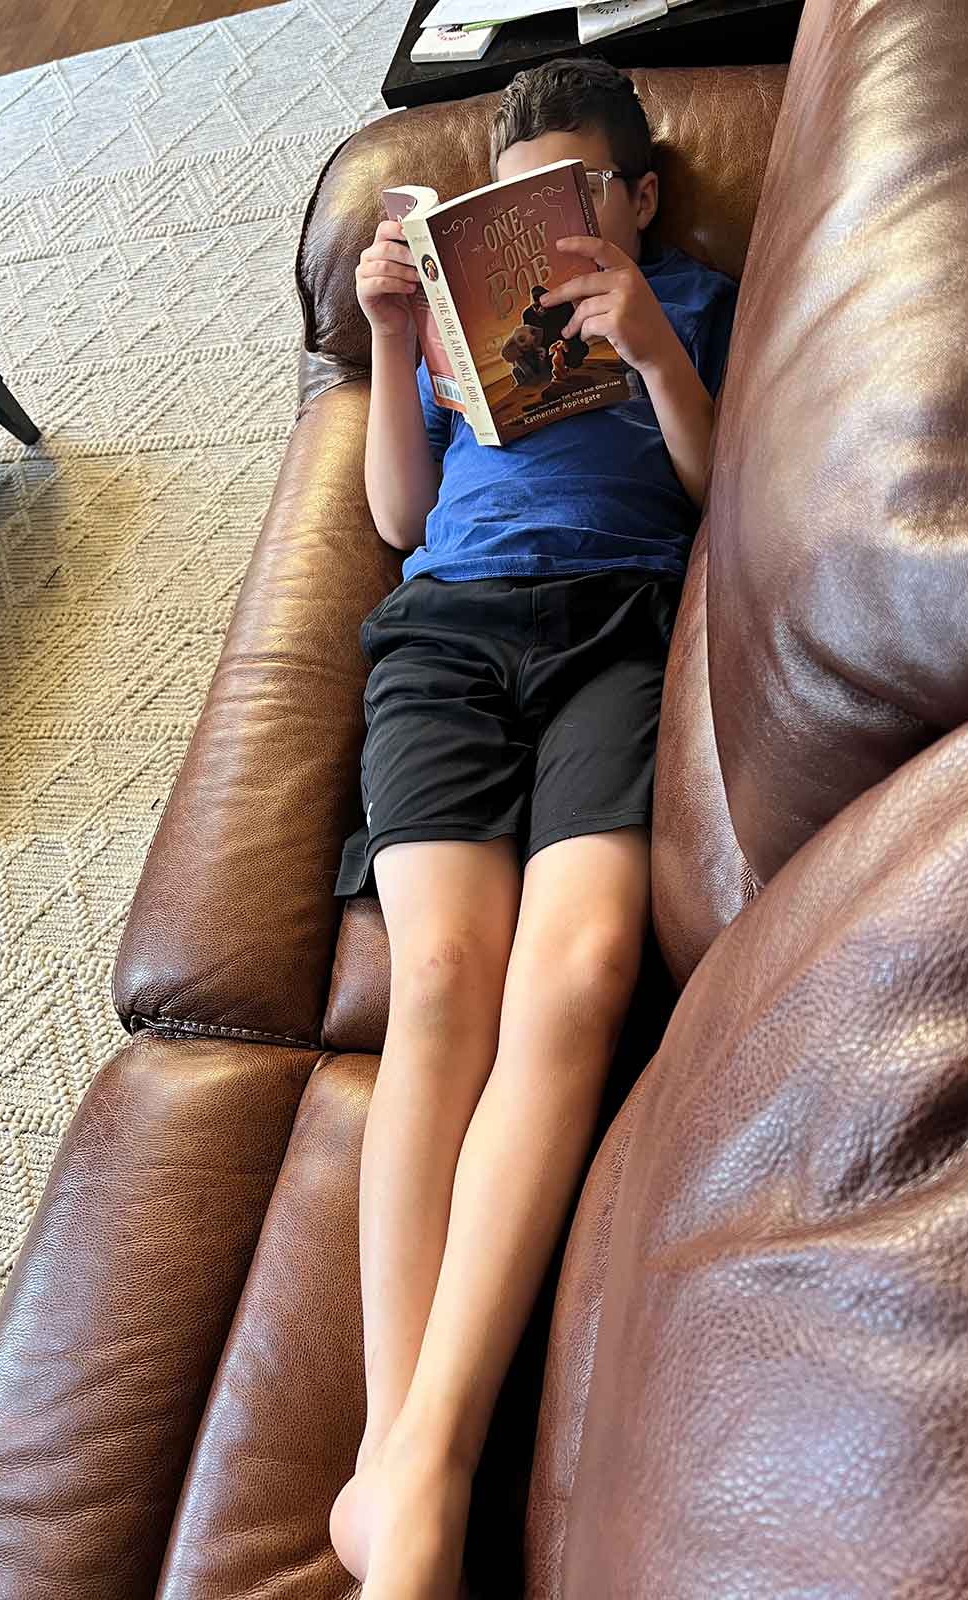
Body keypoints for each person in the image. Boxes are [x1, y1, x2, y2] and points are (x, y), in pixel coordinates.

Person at [328, 54, 738, 1600]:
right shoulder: (438, 329)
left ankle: (409, 1487)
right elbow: (390, 519)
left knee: (572, 979)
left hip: (618, 629)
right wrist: (386, 336)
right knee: (441, 986)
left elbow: (721, 490)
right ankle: (403, 1459)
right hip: (446, 635)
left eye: (581, 206)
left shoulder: (689, 298)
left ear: (633, 199)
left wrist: (650, 351)